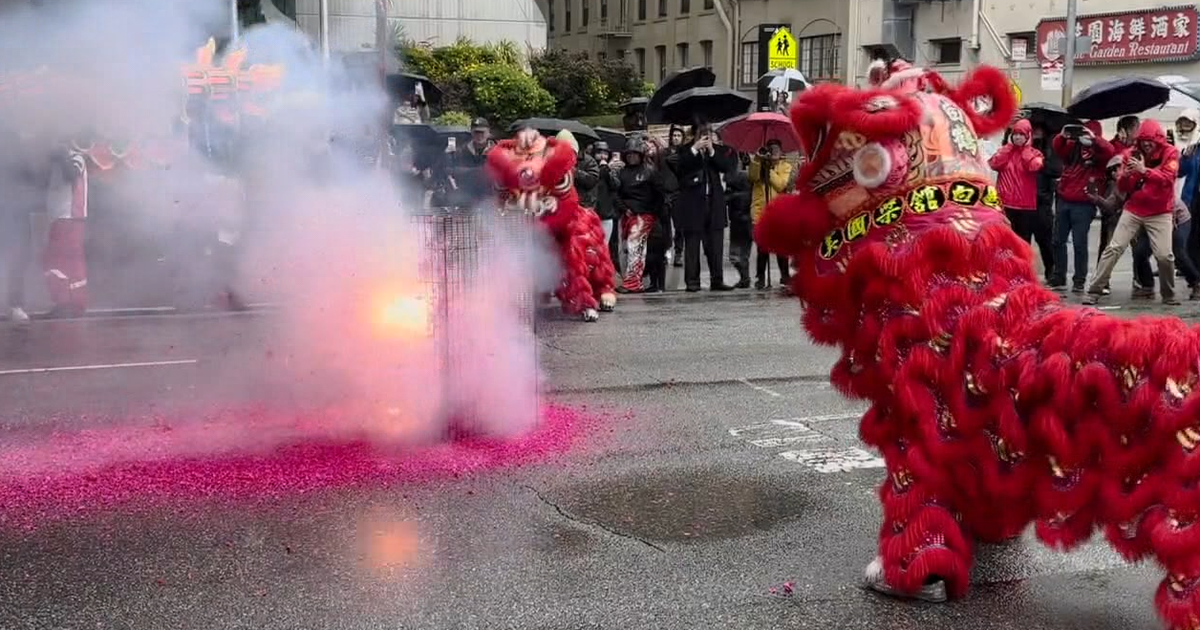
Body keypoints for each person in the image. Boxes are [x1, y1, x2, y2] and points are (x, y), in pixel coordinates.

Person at [1086, 119, 1180, 305]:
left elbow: (1167, 180)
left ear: (1158, 140)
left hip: (1160, 211)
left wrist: (1144, 170)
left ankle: (1168, 294)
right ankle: (1094, 290)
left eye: (1150, 140)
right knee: (1114, 248)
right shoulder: (1130, 154)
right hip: (1134, 209)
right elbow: (1123, 186)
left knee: (1164, 255)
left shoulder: (1171, 153)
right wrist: (1127, 175)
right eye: (1143, 140)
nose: (1146, 144)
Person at [1048, 120, 1114, 292]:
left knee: (1079, 243)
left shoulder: (1099, 155)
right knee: (1057, 241)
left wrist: (1094, 140)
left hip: (1084, 204)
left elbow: (1109, 151)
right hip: (1064, 199)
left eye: (1087, 133)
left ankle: (1079, 280)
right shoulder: (1071, 148)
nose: (1083, 136)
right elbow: (1057, 147)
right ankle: (1059, 277)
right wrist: (1063, 135)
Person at [675, 122, 735, 292]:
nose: (705, 137)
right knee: (693, 245)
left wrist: (711, 151)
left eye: (708, 133)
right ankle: (692, 281)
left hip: (714, 203)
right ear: (695, 135)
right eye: (702, 134)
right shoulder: (685, 150)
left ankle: (717, 279)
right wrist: (695, 149)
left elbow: (726, 166)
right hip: (693, 204)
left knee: (715, 245)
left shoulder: (718, 150)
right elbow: (680, 167)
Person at [612, 140, 672, 293]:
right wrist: (624, 209)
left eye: (635, 154)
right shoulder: (622, 172)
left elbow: (660, 194)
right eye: (629, 154)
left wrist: (651, 212)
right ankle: (630, 279)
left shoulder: (650, 171)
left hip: (644, 216)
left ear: (641, 155)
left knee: (635, 249)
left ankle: (633, 283)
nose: (632, 157)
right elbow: (616, 193)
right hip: (627, 215)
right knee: (625, 250)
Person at [989, 119, 1045, 267]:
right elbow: (994, 163)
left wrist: (1026, 149)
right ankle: (1003, 268)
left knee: (1022, 241)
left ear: (1028, 136)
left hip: (1025, 207)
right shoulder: (1005, 151)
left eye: (1021, 134)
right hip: (1005, 204)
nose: (1018, 137)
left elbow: (1034, 166)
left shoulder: (1035, 153)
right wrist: (1008, 147)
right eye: (1015, 134)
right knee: (1003, 240)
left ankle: (1022, 269)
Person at [1132, 195, 1200, 300]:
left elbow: (1168, 205)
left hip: (1176, 218)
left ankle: (1196, 282)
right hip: (1148, 220)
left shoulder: (1156, 184)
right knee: (1140, 251)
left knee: (1177, 253)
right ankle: (1147, 286)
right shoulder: (1128, 187)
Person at [749, 139, 792, 290]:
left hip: (778, 212)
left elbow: (781, 184)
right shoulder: (759, 164)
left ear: (781, 153)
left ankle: (785, 276)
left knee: (781, 247)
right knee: (762, 248)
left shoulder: (785, 166)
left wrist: (769, 170)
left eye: (776, 150)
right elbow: (753, 177)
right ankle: (760, 277)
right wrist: (757, 160)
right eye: (770, 150)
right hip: (760, 211)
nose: (773, 152)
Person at [1086, 155, 1127, 297]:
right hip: (1114, 219)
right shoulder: (1113, 185)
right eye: (1117, 170)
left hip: (1130, 218)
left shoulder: (1133, 180)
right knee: (1108, 250)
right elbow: (1109, 205)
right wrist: (1096, 199)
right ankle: (1103, 282)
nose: (1120, 172)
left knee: (1140, 251)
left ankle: (1142, 280)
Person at [725, 163, 753, 288]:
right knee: (744, 254)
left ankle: (745, 278)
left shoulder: (734, 196)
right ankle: (745, 278)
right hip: (747, 223)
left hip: (738, 225)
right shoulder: (749, 193)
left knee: (735, 255)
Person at [663, 125, 687, 267]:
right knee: (666, 226)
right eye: (674, 135)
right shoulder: (664, 153)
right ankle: (666, 251)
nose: (676, 138)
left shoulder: (685, 153)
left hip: (680, 192)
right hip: (666, 192)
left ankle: (679, 253)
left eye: (679, 136)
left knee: (680, 226)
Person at [590, 141, 619, 258]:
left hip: (606, 215)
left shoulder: (611, 169)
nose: (602, 156)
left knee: (604, 247)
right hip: (592, 213)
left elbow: (616, 185)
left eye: (605, 153)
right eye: (599, 153)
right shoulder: (590, 168)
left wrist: (608, 171)